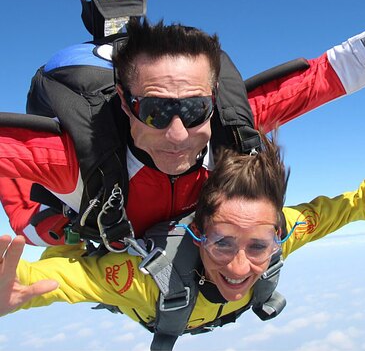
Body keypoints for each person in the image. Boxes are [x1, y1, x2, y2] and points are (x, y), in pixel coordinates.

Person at [1, 18, 365, 248]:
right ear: (127, 106)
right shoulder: (72, 158)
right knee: (36, 230)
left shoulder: (231, 126)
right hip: (90, 206)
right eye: (155, 113)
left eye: (193, 111)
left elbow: (330, 74)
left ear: (212, 100)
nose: (178, 135)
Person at [1, 132, 364, 351]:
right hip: (146, 286)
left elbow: (346, 208)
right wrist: (16, 289)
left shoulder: (282, 231)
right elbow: (48, 281)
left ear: (276, 237)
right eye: (222, 243)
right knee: (53, 227)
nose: (239, 268)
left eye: (258, 247)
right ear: (197, 232)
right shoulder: (141, 279)